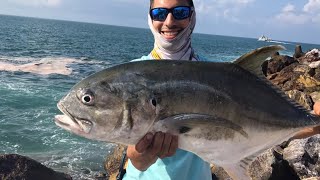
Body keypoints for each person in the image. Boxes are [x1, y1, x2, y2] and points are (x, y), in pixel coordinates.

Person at [122, 0, 212, 179]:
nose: (169, 21)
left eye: (180, 12)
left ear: (192, 16)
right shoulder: (131, 75)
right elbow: (137, 160)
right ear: (150, 18)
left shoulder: (212, 75)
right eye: (159, 14)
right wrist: (141, 155)